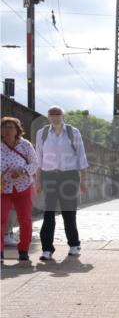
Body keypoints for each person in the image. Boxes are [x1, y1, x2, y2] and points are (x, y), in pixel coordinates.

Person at [34, 106, 89, 261]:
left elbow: (81, 157)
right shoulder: (42, 133)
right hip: (49, 176)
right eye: (52, 114)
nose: (55, 116)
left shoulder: (73, 132)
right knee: (48, 213)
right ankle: (47, 249)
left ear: (63, 116)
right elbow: (39, 158)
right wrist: (37, 181)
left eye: (58, 114)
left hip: (69, 176)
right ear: (48, 117)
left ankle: (74, 244)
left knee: (69, 212)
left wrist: (83, 180)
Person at [1, 117, 38, 261]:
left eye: (11, 127)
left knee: (25, 219)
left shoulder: (25, 145)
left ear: (17, 130)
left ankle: (23, 249)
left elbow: (35, 164)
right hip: (3, 188)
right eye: (4, 127)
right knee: (1, 218)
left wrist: (22, 171)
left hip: (23, 186)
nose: (7, 130)